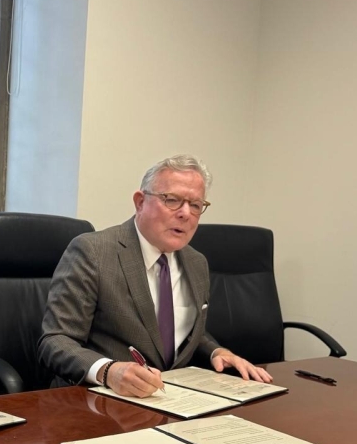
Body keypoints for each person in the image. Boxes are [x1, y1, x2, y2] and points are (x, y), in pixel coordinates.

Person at [37, 155, 272, 398]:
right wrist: (107, 371)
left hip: (172, 400)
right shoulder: (94, 252)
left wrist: (217, 352)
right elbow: (55, 341)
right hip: (97, 400)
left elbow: (183, 333)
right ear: (140, 202)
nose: (185, 213)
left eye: (195, 205)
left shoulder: (196, 262)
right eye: (172, 200)